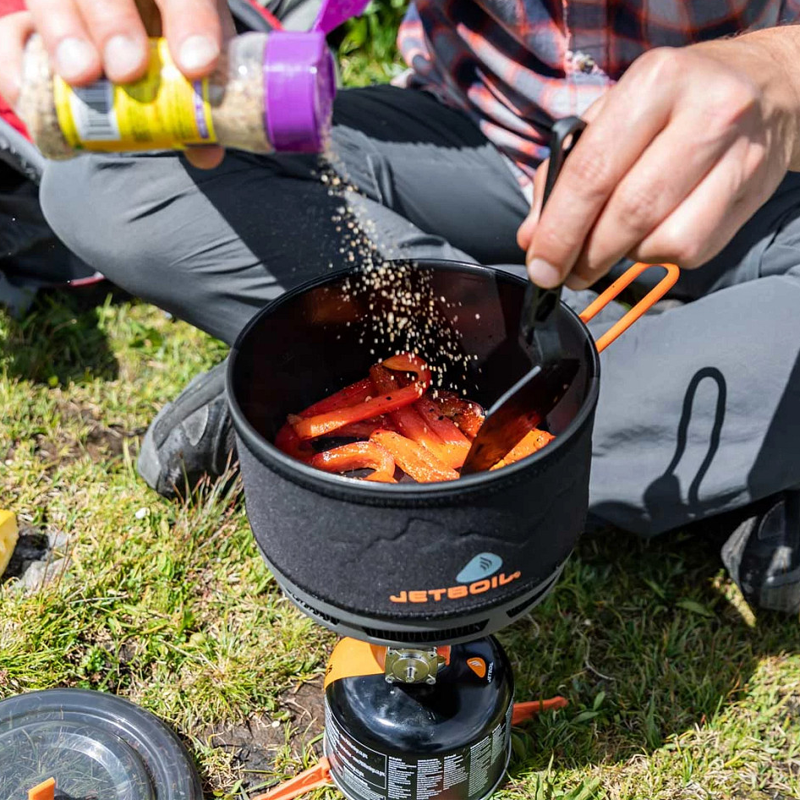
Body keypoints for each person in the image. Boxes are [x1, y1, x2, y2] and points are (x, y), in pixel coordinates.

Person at [1, 0, 799, 614]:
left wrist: (780, 71)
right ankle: (673, 419)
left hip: (758, 180)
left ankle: (332, 379)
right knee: (108, 176)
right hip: (466, 137)